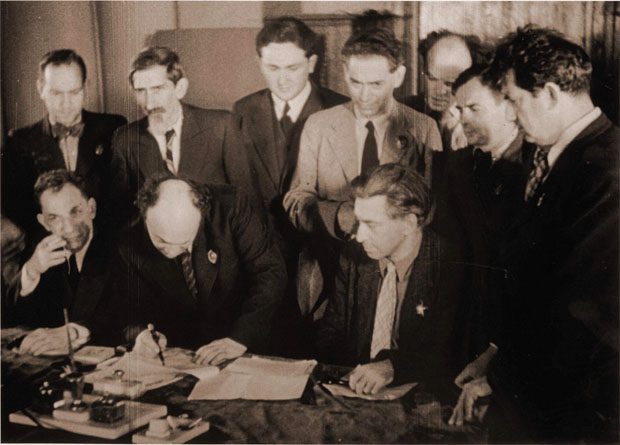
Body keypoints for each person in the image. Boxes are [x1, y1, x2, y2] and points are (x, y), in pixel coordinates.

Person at [485, 26, 619, 442]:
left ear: (550, 93)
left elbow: (579, 305)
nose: (508, 113)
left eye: (512, 99)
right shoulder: (543, 152)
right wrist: (494, 358)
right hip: (533, 390)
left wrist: (502, 374)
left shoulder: (608, 172)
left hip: (573, 406)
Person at [20, 176, 286, 365]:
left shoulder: (233, 206)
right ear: (145, 216)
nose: (174, 250)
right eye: (162, 242)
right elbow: (131, 310)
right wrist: (150, 334)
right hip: (195, 355)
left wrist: (239, 338)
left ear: (201, 213)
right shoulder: (129, 239)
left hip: (260, 342)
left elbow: (269, 275)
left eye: (185, 242)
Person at [283, 25, 441, 321]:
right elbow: (295, 199)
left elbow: (430, 212)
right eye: (356, 83)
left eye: (376, 84)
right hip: (327, 270)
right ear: (345, 74)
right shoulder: (318, 125)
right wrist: (338, 216)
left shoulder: (423, 129)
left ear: (399, 76)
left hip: (397, 275)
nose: (365, 95)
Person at [232, 18, 348, 356]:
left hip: (326, 259)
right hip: (263, 261)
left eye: (292, 67)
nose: (281, 78)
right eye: (272, 67)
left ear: (311, 63)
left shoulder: (340, 109)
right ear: (259, 63)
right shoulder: (243, 110)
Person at [316, 164, 469, 398]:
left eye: (372, 224)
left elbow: (449, 350)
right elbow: (332, 332)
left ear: (408, 223)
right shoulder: (353, 257)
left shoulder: (449, 264)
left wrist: (393, 367)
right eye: (359, 222)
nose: (359, 236)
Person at [439, 64, 531, 426]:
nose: (462, 118)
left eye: (474, 108)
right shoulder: (460, 167)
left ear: (509, 107)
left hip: (514, 335)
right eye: (459, 109)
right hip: (466, 325)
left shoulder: (536, 168)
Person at [109, 47, 258, 227]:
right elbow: (120, 215)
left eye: (157, 89)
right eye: (141, 91)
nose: (149, 103)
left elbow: (248, 203)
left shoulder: (221, 126)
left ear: (180, 88)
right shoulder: (124, 140)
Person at [2, 49, 126, 240]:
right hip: (53, 250)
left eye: (74, 92)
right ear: (40, 88)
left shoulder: (114, 128)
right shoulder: (19, 142)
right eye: (56, 93)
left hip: (108, 248)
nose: (66, 103)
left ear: (86, 88)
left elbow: (123, 199)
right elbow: (16, 208)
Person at [9, 170, 112, 356]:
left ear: (92, 209)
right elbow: (15, 317)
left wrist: (75, 332)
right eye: (54, 218)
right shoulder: (43, 250)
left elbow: (130, 315)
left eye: (75, 211)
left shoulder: (121, 248)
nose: (68, 227)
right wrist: (31, 272)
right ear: (44, 223)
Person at [406, 31, 486, 150]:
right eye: (432, 78)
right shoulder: (405, 110)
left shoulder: (482, 123)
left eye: (449, 83)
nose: (439, 91)